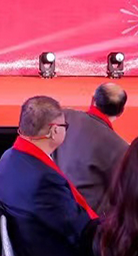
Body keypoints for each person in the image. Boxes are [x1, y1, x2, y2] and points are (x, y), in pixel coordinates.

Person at [0, 96, 97, 256]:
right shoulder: (45, 180)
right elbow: (80, 232)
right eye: (64, 126)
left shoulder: (9, 158)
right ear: (53, 131)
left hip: (31, 255)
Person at [54, 82, 129, 212]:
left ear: (93, 100)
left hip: (51, 200)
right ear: (121, 111)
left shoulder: (64, 116)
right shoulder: (121, 148)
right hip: (87, 216)